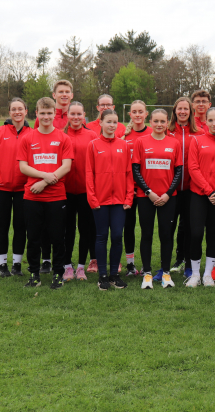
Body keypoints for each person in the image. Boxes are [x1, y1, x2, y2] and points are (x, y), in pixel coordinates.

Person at [18, 97, 74, 289]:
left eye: (49, 113)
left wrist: (44, 182)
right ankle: (34, 275)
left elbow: (66, 166)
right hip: (32, 196)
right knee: (33, 238)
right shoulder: (27, 138)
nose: (46, 116)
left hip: (56, 196)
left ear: (54, 114)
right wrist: (44, 177)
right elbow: (23, 167)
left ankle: (58, 274)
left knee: (58, 237)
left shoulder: (63, 138)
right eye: (42, 113)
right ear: (36, 114)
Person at [131, 109, 182, 289]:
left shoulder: (174, 143)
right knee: (146, 234)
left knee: (166, 235)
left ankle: (166, 273)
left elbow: (179, 171)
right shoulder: (141, 141)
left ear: (167, 122)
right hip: (146, 197)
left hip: (168, 198)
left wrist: (167, 193)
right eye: (156, 121)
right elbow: (136, 170)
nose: (159, 124)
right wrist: (148, 192)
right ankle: (147, 273)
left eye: (163, 121)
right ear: (150, 122)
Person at [86, 109, 134, 291]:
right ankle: (103, 276)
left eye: (115, 122)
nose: (112, 125)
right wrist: (92, 198)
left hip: (120, 201)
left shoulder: (124, 145)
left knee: (117, 236)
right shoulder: (93, 145)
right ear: (101, 123)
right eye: (108, 122)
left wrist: (129, 197)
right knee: (101, 237)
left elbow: (129, 173)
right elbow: (89, 173)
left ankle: (114, 274)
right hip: (100, 200)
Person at [187, 107, 215, 287]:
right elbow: (193, 168)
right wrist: (208, 190)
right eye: (211, 120)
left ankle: (208, 274)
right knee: (196, 233)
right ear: (205, 122)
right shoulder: (197, 141)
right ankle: (195, 274)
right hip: (199, 194)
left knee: (214, 234)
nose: (214, 123)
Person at [0, 97, 30, 277]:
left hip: (24, 190)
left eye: (20, 109)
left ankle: (17, 265)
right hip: (1, 189)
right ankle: (2, 265)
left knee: (20, 227)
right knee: (2, 226)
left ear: (26, 111)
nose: (17, 112)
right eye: (14, 109)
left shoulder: (32, 133)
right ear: (9, 112)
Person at [61, 101, 98, 281]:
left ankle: (81, 267)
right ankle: (67, 266)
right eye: (72, 114)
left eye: (79, 114)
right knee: (67, 229)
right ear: (67, 115)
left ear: (84, 116)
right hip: (64, 191)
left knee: (86, 229)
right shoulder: (60, 135)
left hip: (85, 191)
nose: (75, 117)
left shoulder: (92, 136)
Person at [167, 97, 202, 278]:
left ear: (191, 112)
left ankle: (188, 262)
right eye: (179, 109)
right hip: (170, 190)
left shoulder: (199, 133)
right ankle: (174, 260)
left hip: (191, 189)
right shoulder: (166, 132)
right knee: (170, 228)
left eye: (185, 109)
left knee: (188, 227)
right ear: (174, 111)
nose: (182, 112)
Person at [121, 100, 153, 275]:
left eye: (141, 111)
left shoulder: (152, 133)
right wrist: (128, 188)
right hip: (128, 190)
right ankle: (130, 264)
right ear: (130, 114)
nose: (138, 114)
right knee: (129, 227)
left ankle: (146, 264)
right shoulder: (124, 136)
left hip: (146, 190)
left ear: (146, 114)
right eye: (135, 112)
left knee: (147, 228)